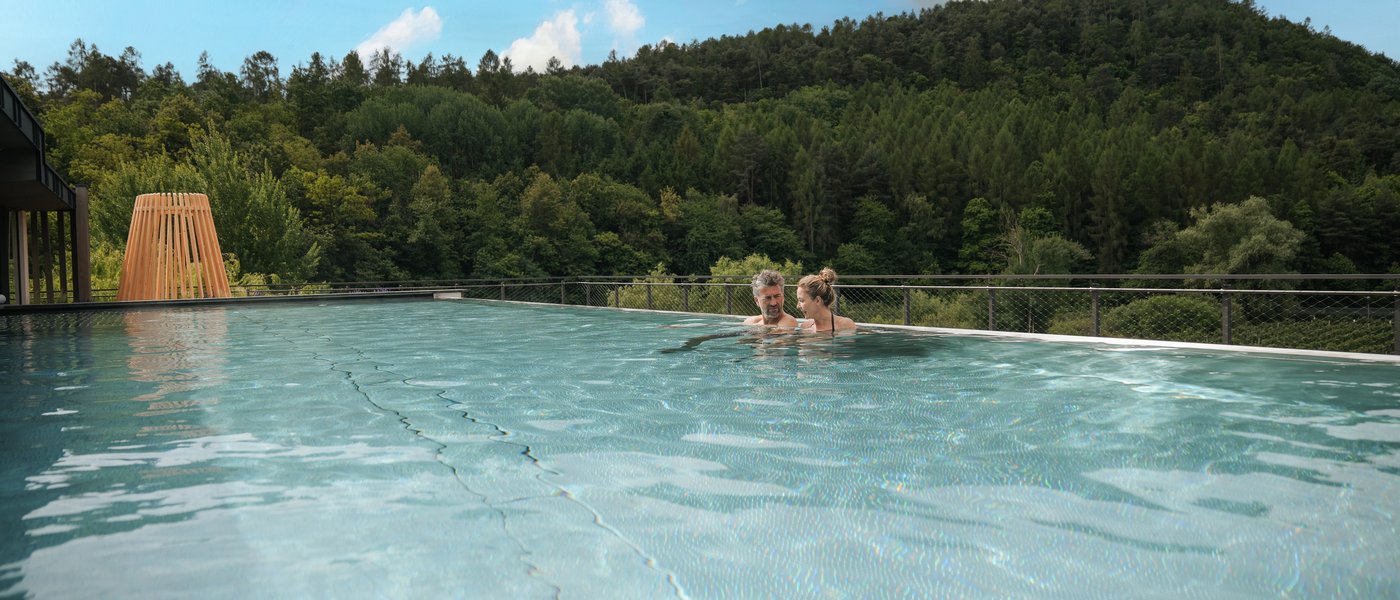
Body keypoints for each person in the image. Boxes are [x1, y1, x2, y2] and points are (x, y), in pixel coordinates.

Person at [796, 267, 856, 333]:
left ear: (817, 300)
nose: (798, 306)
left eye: (801, 300)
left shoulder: (845, 325)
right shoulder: (805, 327)